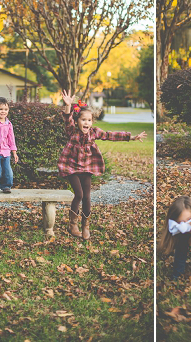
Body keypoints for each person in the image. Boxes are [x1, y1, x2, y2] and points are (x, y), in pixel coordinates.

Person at [58, 90, 146, 240]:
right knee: (78, 194)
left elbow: (110, 135)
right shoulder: (72, 131)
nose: (86, 123)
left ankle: (85, 225)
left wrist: (131, 137)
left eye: (89, 120)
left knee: (87, 196)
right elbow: (67, 119)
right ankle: (73, 224)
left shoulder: (94, 132)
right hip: (71, 166)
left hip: (87, 167)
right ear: (78, 120)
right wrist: (68, 106)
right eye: (83, 120)